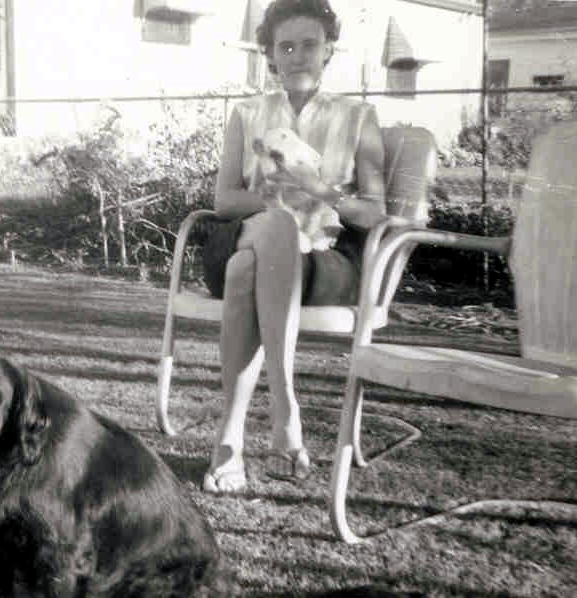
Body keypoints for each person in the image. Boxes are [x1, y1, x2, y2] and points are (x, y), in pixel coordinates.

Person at [202, 0, 386, 494]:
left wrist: (316, 186)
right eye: (286, 47)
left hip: (323, 260)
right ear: (270, 55)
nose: (298, 56)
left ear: (328, 51)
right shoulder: (247, 114)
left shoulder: (358, 116)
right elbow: (224, 201)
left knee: (245, 271)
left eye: (309, 45)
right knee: (274, 227)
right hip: (246, 234)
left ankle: (230, 439)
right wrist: (271, 199)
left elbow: (374, 213)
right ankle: (284, 404)